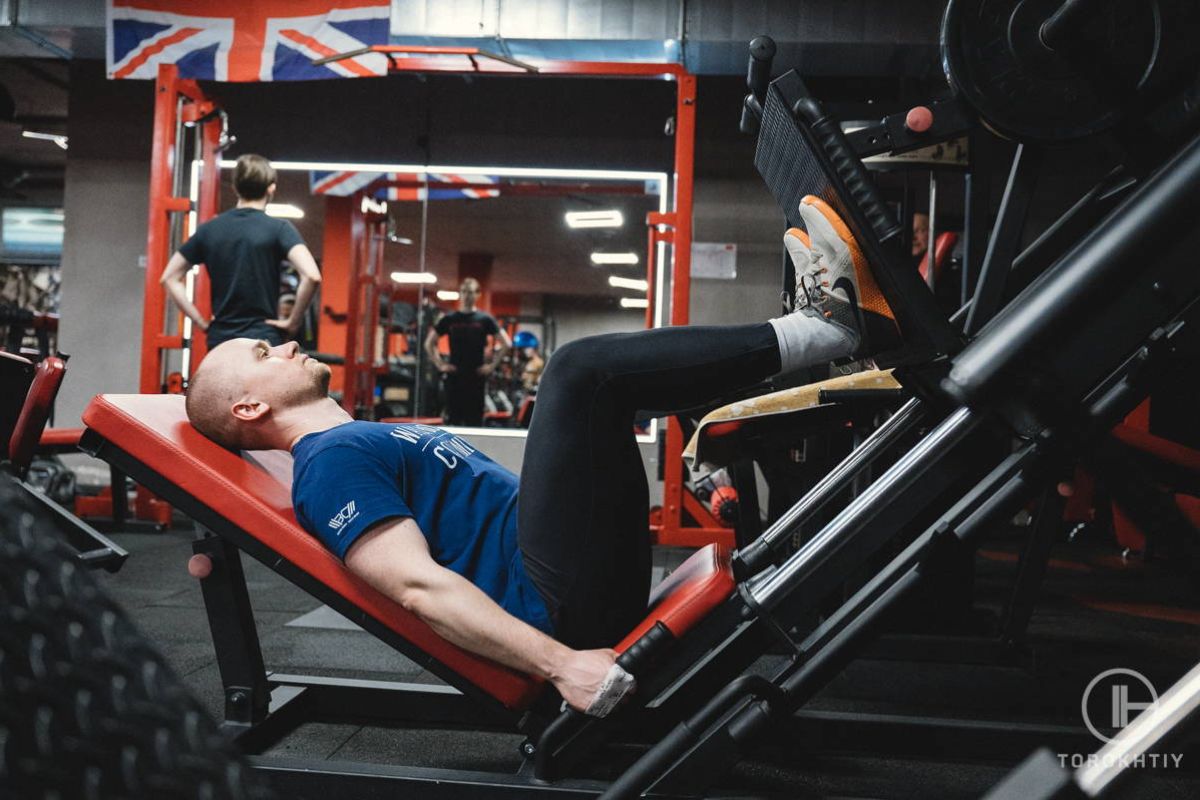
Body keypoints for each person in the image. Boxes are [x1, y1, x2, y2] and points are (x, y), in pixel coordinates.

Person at [184, 196, 901, 716]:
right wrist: (563, 668)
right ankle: (826, 329)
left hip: (559, 571)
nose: (281, 341)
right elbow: (415, 588)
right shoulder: (327, 465)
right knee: (580, 373)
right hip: (553, 606)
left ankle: (817, 335)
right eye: (260, 352)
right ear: (249, 408)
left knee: (602, 388)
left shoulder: (354, 436)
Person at [160, 154, 322, 349]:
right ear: (271, 187)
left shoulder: (209, 230)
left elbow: (169, 277)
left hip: (221, 338)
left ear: (235, 187)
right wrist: (292, 322)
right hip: (263, 338)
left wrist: (200, 322)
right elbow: (312, 276)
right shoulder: (279, 229)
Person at [423, 278, 512, 426]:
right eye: (464, 292)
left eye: (470, 292)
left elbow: (506, 343)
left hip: (476, 376)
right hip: (455, 375)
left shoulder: (484, 319)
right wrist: (440, 365)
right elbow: (429, 343)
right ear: (460, 294)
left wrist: (491, 366)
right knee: (453, 419)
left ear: (477, 295)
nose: (467, 296)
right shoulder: (450, 319)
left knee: (475, 420)